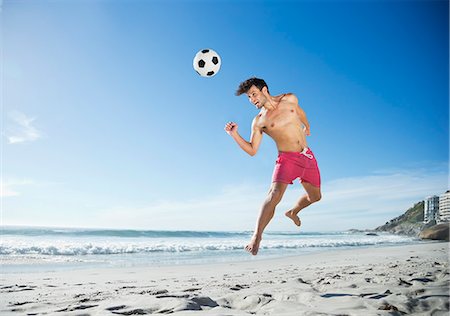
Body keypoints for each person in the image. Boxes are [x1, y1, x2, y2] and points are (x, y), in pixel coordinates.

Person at [224, 77, 322, 255]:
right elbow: (253, 150)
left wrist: (307, 126)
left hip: (307, 156)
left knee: (315, 197)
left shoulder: (289, 99)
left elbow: (299, 112)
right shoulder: (259, 121)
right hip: (287, 160)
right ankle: (256, 236)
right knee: (275, 194)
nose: (252, 99)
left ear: (265, 90)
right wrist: (234, 135)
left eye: (253, 94)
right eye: (248, 97)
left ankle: (293, 212)